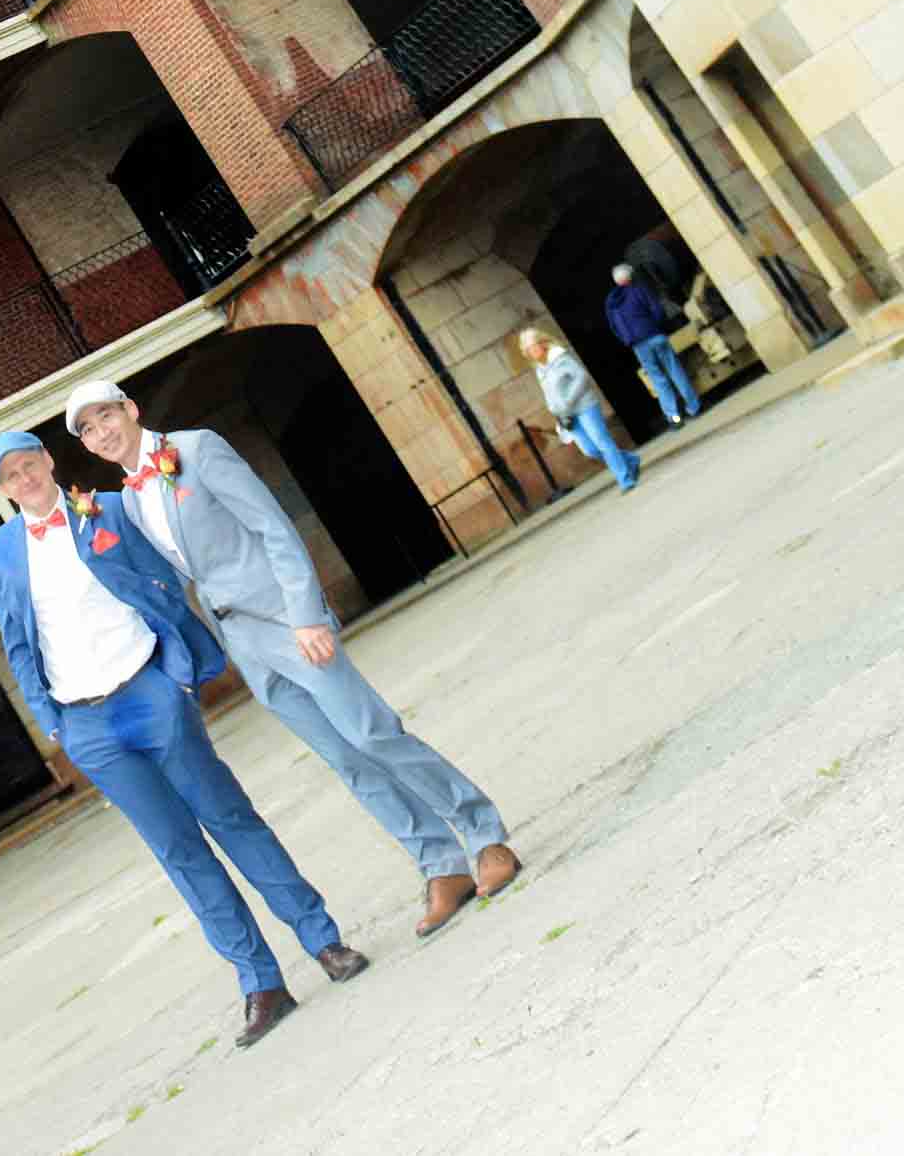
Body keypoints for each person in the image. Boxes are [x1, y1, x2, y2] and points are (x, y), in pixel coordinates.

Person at [66, 387, 527, 935]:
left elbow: (272, 527)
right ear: (90, 446)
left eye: (107, 415)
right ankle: (439, 866)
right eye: (90, 429)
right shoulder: (130, 500)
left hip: (287, 620)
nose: (103, 431)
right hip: (243, 640)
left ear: (131, 410)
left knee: (371, 734)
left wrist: (307, 614)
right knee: (344, 759)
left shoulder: (197, 449)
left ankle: (484, 836)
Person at [0, 427, 366, 1042]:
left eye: (30, 465)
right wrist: (54, 724)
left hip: (149, 692)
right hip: (88, 725)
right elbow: (17, 640)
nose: (24, 480)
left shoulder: (104, 509)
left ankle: (323, 941)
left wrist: (175, 678)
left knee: (229, 818)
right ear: (0, 488)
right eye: (11, 476)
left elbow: (165, 588)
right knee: (178, 851)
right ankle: (260, 983)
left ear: (49, 461)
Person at [526, 325, 639, 491]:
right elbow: (548, 394)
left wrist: (569, 400)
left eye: (532, 347)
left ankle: (624, 478)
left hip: (585, 405)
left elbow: (581, 377)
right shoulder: (539, 370)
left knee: (602, 442)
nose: (530, 352)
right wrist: (555, 410)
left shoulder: (560, 357)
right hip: (567, 415)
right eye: (527, 350)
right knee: (590, 450)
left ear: (542, 343)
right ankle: (629, 460)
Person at [603, 261, 702, 428]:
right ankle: (693, 408)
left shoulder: (611, 303)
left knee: (658, 380)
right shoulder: (639, 288)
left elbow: (614, 327)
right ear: (630, 276)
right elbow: (656, 308)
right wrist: (655, 326)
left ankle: (674, 418)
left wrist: (627, 340)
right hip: (655, 336)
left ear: (616, 281)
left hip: (638, 345)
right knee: (674, 370)